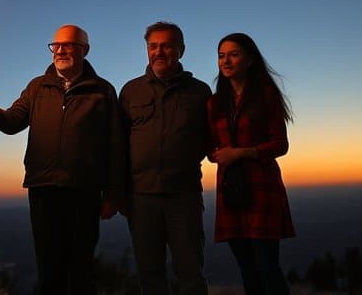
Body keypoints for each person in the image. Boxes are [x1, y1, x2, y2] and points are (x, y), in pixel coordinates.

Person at [0, 24, 125, 295]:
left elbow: (116, 145)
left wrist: (113, 194)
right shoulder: (37, 87)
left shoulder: (102, 91)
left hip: (84, 191)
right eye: (56, 45)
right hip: (42, 190)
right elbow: (10, 122)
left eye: (68, 45)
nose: (60, 50)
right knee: (49, 270)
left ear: (85, 50)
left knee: (81, 270)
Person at [118, 21, 211, 295]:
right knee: (150, 276)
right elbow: (118, 145)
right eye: (152, 46)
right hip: (140, 198)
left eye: (166, 46)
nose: (158, 52)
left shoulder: (199, 92)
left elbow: (211, 138)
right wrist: (118, 192)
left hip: (184, 196)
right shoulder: (131, 91)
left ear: (180, 50)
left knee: (191, 274)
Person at [207, 33, 295, 294]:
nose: (226, 61)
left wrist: (242, 153)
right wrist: (217, 154)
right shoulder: (214, 102)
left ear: (250, 59)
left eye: (234, 54)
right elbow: (210, 145)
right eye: (222, 56)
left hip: (261, 188)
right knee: (247, 268)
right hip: (230, 190)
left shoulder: (265, 95)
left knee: (267, 266)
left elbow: (281, 144)